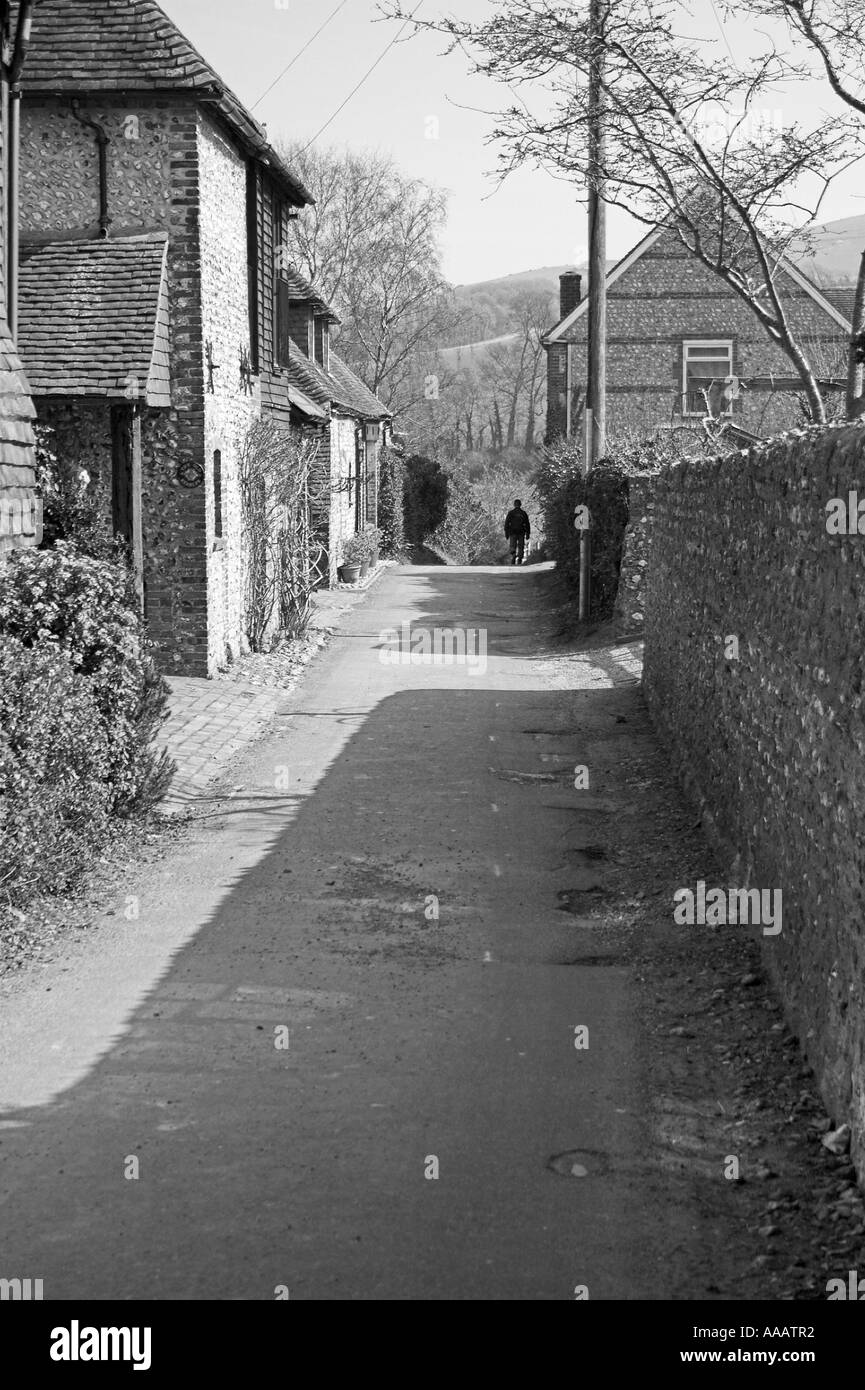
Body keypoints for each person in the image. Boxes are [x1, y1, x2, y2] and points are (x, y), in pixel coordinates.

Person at [504, 498, 531, 565]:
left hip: (512, 532)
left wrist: (506, 533)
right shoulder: (523, 513)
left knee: (512, 546)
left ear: (514, 505)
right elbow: (527, 524)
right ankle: (519, 559)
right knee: (521, 546)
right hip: (521, 532)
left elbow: (506, 523)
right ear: (520, 505)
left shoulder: (511, 513)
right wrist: (528, 533)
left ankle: (513, 556)